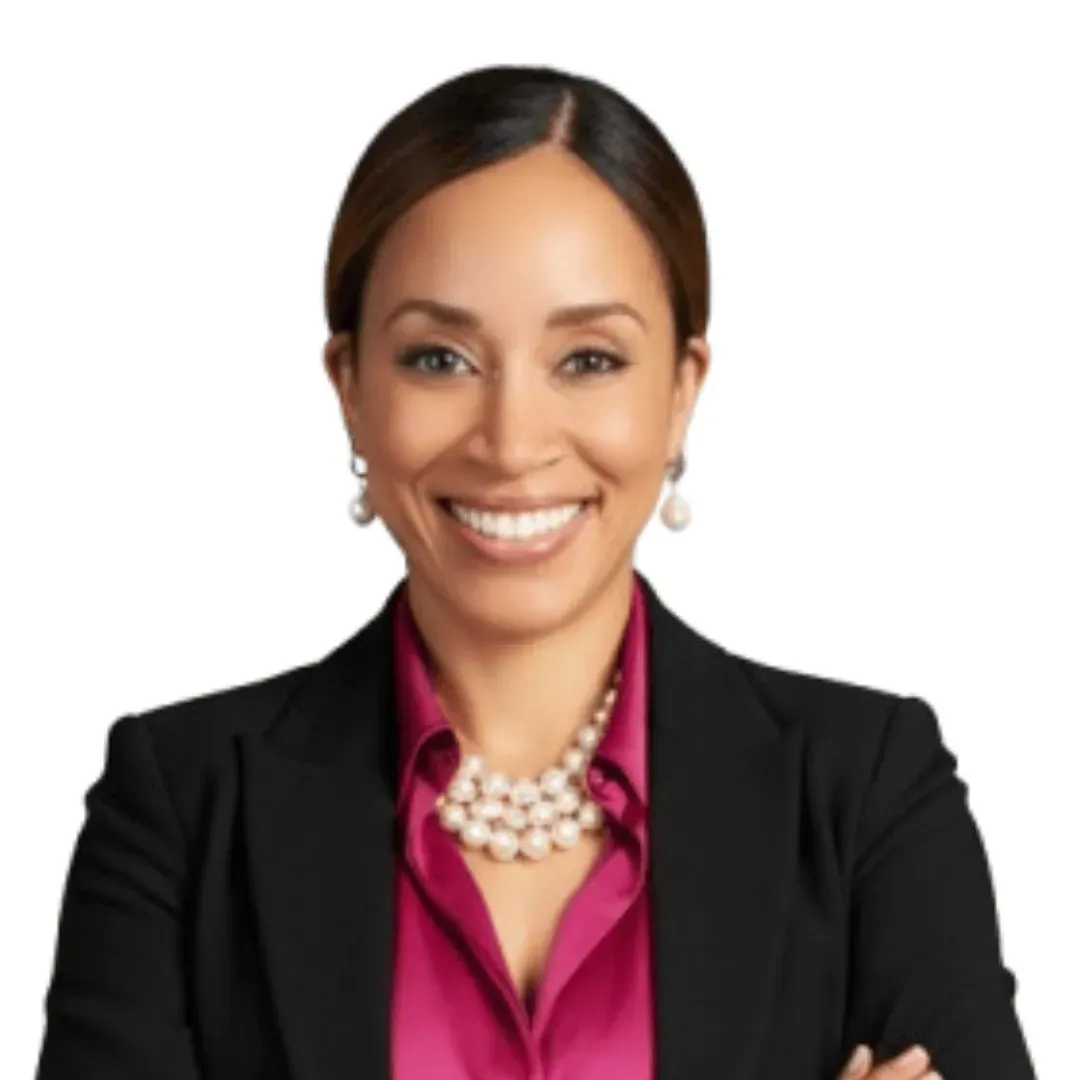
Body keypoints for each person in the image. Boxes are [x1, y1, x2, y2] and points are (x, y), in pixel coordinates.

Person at [34, 65, 1037, 1080]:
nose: (512, 443)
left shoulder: (869, 796)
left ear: (682, 390)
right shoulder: (180, 809)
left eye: (589, 360)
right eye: (439, 359)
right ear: (351, 388)